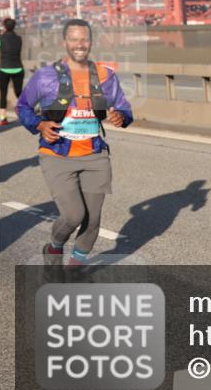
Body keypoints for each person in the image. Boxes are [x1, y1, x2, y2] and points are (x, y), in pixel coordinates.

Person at [16, 18, 133, 271]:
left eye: (85, 39)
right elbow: (23, 106)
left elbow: (123, 107)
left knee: (92, 221)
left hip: (95, 154)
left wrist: (121, 116)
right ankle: (54, 246)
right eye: (74, 39)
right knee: (73, 216)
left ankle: (72, 270)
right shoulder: (46, 76)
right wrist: (38, 125)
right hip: (57, 154)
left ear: (91, 42)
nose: (80, 44)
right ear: (64, 43)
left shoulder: (105, 76)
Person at [0, 18, 24, 125]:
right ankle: (24, 115)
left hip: (3, 69)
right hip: (18, 68)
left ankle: (3, 118)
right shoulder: (19, 38)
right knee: (19, 93)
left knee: (3, 93)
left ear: (4, 26)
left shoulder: (1, 38)